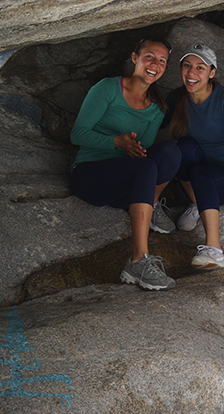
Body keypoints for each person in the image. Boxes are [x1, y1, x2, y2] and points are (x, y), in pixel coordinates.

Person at [69, 38, 181, 291]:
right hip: (90, 177)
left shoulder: (157, 108)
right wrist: (116, 142)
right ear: (135, 58)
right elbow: (77, 134)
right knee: (145, 168)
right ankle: (138, 261)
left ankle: (148, 206)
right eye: (150, 56)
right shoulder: (108, 89)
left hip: (126, 184)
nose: (155, 64)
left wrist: (133, 149)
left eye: (162, 61)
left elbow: (145, 153)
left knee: (170, 151)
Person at [165, 43, 224, 269]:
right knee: (182, 147)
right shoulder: (177, 99)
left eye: (200, 68)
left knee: (200, 171)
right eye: (187, 66)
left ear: (212, 73)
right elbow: (153, 121)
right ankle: (197, 202)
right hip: (201, 171)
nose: (192, 73)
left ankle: (215, 251)